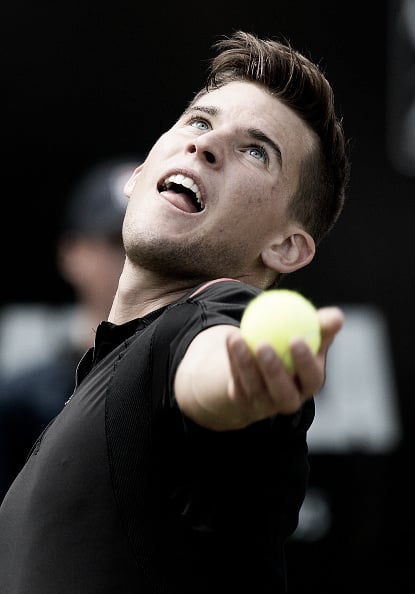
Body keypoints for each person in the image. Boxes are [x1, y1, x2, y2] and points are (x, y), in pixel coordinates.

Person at [0, 31, 350, 593]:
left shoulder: (207, 321)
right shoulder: (98, 380)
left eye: (256, 151)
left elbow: (210, 358)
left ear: (287, 247)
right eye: (199, 122)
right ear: (141, 173)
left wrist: (237, 386)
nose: (205, 147)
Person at [0, 156, 141, 500]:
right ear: (71, 253)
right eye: (115, 241)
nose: (132, 255)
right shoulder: (22, 384)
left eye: (140, 237)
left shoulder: (194, 361)